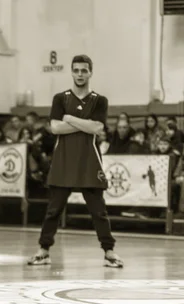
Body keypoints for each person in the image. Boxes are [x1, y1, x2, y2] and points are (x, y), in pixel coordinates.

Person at [27, 55, 124, 268]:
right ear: (71, 72)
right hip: (63, 160)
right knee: (53, 210)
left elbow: (98, 128)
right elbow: (54, 128)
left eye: (84, 70)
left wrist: (69, 119)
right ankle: (43, 251)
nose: (80, 74)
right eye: (76, 70)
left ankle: (109, 252)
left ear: (90, 72)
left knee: (99, 211)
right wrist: (84, 124)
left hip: (89, 160)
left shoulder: (100, 100)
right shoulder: (60, 98)